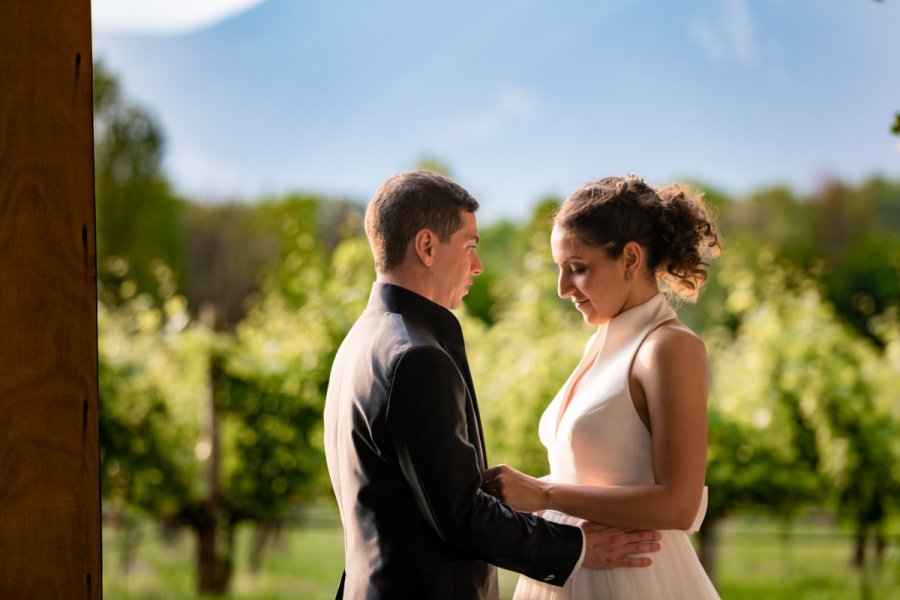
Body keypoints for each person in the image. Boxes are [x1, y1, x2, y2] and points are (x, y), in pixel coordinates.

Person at [324, 170, 663, 600]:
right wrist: (578, 547)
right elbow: (462, 516)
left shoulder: (359, 342)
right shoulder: (417, 357)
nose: (478, 266)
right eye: (469, 247)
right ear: (427, 246)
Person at [483, 174, 722, 599]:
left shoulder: (669, 347)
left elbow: (679, 505)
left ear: (630, 258)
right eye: (560, 270)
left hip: (630, 579)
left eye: (577, 269)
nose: (562, 289)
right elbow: (600, 471)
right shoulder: (602, 341)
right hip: (570, 566)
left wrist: (544, 492)